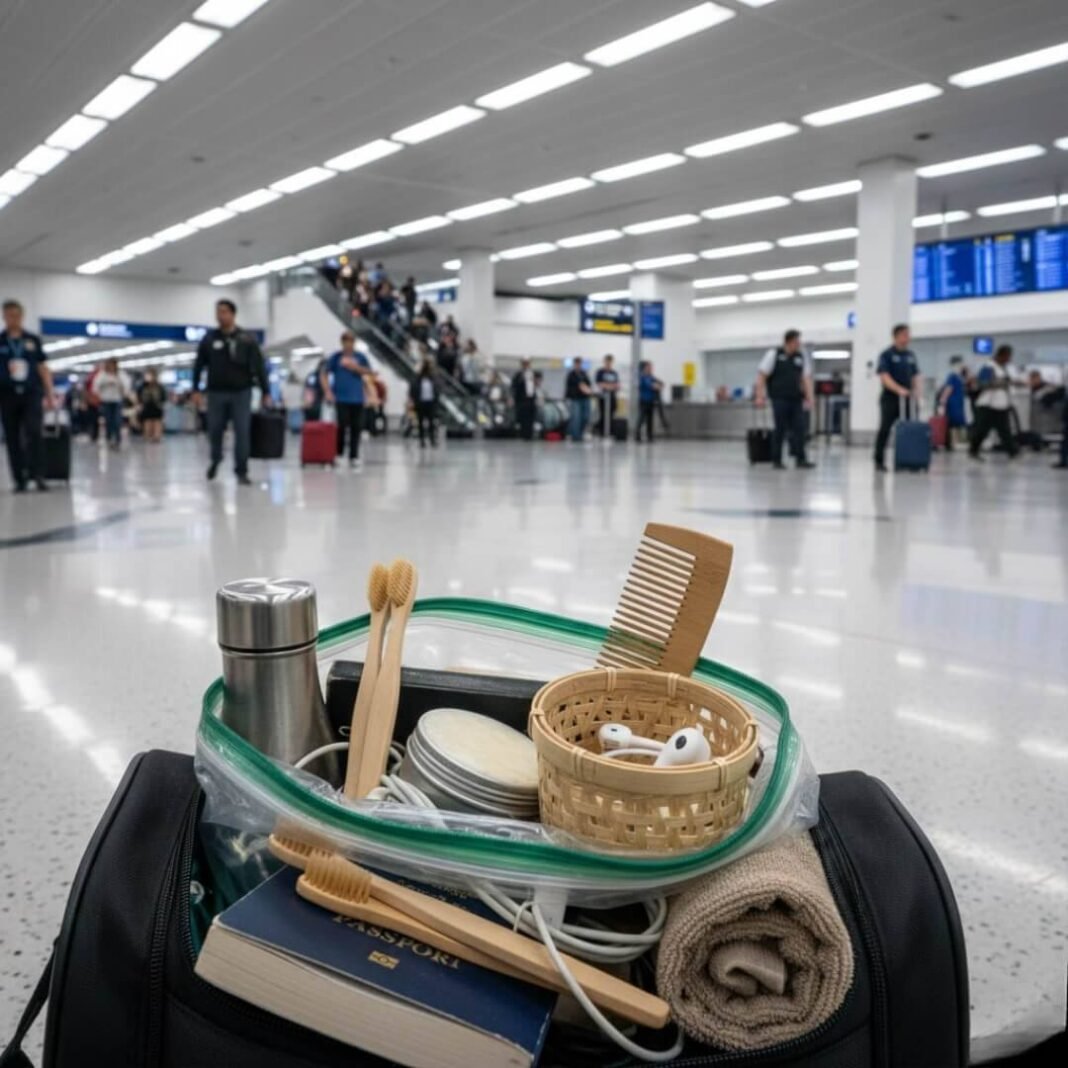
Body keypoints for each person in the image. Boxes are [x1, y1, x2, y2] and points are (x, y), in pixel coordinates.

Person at [192, 299, 270, 485]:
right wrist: (195, 389)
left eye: (225, 312)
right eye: (218, 312)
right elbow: (198, 365)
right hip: (216, 393)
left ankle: (241, 470)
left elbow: (259, 366)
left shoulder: (247, 339)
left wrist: (266, 391)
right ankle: (216, 459)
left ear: (233, 314)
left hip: (241, 392)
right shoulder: (209, 339)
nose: (221, 316)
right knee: (215, 430)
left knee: (242, 431)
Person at [0, 299, 56, 492]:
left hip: (31, 393)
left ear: (22, 316)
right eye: (8, 315)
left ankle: (39, 474)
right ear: (4, 316)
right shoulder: (0, 340)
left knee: (34, 432)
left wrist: (50, 393)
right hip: (7, 394)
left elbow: (42, 367)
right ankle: (19, 478)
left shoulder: (32, 340)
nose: (13, 319)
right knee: (12, 436)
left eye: (16, 315)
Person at [755, 329, 815, 470]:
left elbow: (806, 378)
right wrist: (759, 395)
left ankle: (801, 459)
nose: (799, 344)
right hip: (779, 398)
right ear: (788, 341)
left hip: (796, 399)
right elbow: (762, 375)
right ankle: (777, 460)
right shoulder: (774, 354)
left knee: (800, 429)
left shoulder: (801, 357)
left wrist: (810, 397)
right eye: (796, 341)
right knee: (780, 429)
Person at [873, 323, 921, 473]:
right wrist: (898, 389)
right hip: (890, 398)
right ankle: (879, 460)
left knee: (911, 429)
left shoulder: (910, 356)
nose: (908, 338)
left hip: (908, 399)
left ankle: (910, 459)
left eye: (909, 334)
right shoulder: (886, 355)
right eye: (905, 334)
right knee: (885, 429)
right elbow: (884, 377)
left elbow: (916, 375)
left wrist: (917, 391)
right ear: (897, 336)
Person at [321, 330, 373, 468]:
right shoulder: (336, 358)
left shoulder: (360, 357)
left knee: (357, 427)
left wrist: (354, 367)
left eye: (351, 342)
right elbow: (324, 374)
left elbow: (369, 372)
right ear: (342, 343)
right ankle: (338, 453)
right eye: (346, 342)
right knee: (342, 426)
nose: (348, 345)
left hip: (357, 398)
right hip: (341, 398)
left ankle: (354, 455)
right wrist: (328, 391)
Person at [969, 344, 1021, 462]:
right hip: (988, 405)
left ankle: (1012, 451)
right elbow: (982, 383)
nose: (1009, 360)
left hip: (1001, 404)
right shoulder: (989, 367)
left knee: (1005, 430)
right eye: (1007, 357)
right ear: (1001, 355)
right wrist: (1001, 383)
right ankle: (973, 450)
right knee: (982, 430)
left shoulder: (1004, 368)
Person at [92, 359, 128, 449]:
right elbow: (95, 387)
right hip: (106, 401)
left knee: (117, 420)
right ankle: (109, 438)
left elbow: (126, 386)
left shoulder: (121, 374)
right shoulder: (102, 374)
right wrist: (106, 384)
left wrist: (118, 383)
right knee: (108, 420)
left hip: (117, 400)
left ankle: (117, 440)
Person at [937, 356, 968, 451]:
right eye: (960, 363)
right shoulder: (952, 376)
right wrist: (942, 402)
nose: (962, 365)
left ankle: (953, 443)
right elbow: (948, 389)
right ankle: (950, 443)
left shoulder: (960, 377)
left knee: (955, 423)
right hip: (952, 403)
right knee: (951, 423)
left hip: (958, 402)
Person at [410, 357, 439, 448]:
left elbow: (436, 390)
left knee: (431, 422)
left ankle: (432, 440)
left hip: (430, 402)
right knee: (421, 422)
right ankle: (422, 440)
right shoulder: (418, 379)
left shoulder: (433, 378)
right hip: (421, 402)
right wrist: (413, 401)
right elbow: (413, 390)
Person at [565, 357, 593, 442]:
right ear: (574, 364)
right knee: (576, 417)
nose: (578, 365)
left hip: (585, 398)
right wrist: (580, 387)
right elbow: (572, 387)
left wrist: (586, 389)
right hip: (575, 399)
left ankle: (580, 433)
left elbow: (588, 385)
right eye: (576, 364)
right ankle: (576, 436)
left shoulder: (584, 374)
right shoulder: (571, 375)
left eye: (579, 364)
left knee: (585, 417)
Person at [636, 361, 663, 443]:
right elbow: (652, 386)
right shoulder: (643, 377)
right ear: (645, 368)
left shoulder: (651, 377)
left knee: (650, 420)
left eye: (651, 367)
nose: (651, 369)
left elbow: (660, 384)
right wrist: (656, 386)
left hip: (651, 401)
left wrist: (658, 385)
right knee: (642, 419)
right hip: (644, 401)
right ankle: (637, 436)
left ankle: (650, 436)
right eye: (649, 367)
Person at [511, 358, 537, 440]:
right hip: (522, 399)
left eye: (527, 364)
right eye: (525, 364)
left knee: (531, 418)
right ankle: (524, 434)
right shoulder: (519, 375)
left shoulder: (532, 374)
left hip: (531, 399)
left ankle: (530, 434)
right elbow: (514, 386)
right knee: (524, 418)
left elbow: (534, 386)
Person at [138, 368, 166, 444]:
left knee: (157, 421)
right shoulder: (143, 386)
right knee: (147, 421)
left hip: (157, 406)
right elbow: (139, 396)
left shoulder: (159, 386)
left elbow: (163, 396)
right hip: (146, 406)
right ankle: (147, 436)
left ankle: (156, 437)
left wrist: (161, 403)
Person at [595, 354, 620, 436]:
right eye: (607, 362)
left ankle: (610, 430)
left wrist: (611, 387)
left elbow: (617, 385)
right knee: (603, 414)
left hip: (612, 397)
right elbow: (599, 384)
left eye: (610, 362)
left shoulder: (614, 373)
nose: (608, 363)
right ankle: (601, 431)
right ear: (604, 362)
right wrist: (608, 386)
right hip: (603, 397)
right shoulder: (600, 372)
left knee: (611, 413)